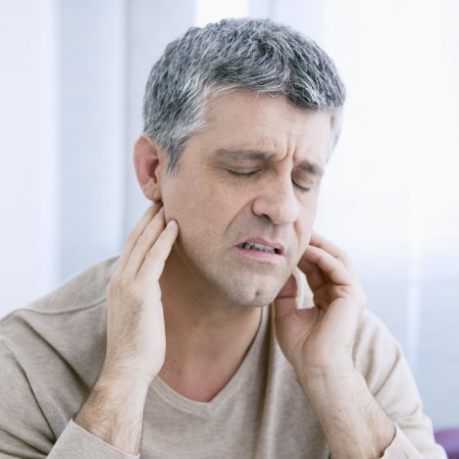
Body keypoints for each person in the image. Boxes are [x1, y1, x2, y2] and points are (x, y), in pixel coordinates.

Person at [0, 18, 446, 459]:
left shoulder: (355, 350)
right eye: (244, 169)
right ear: (153, 169)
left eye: (305, 180)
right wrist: (125, 377)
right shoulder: (25, 363)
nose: (285, 208)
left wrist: (333, 379)